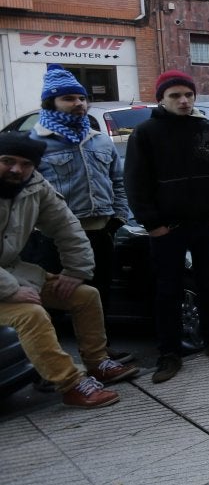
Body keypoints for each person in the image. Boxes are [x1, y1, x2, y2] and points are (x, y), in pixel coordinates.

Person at [0, 132, 137, 407]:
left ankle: (98, 362)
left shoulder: (35, 186)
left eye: (26, 164)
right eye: (7, 161)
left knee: (85, 295)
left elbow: (66, 226)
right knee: (31, 314)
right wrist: (12, 290)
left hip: (11, 270)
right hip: (7, 281)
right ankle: (71, 384)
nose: (17, 169)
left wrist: (75, 271)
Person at [123, 70, 209, 382]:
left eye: (188, 94)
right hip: (168, 228)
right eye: (175, 95)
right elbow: (136, 183)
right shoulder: (145, 134)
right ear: (161, 98)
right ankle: (169, 354)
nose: (184, 100)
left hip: (207, 223)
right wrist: (153, 224)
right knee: (168, 291)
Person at [29, 65, 132, 350]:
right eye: (69, 99)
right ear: (51, 103)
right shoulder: (35, 144)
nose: (79, 104)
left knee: (98, 297)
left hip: (100, 233)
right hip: (53, 240)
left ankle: (100, 356)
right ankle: (51, 366)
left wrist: (118, 217)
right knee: (52, 303)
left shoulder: (98, 139)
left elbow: (118, 180)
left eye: (81, 98)